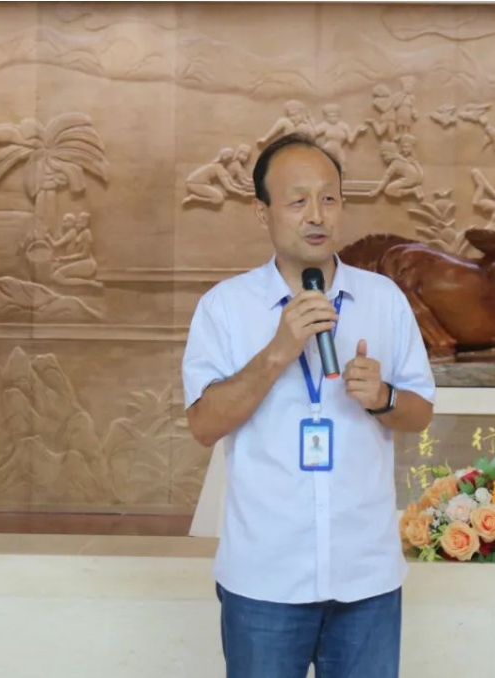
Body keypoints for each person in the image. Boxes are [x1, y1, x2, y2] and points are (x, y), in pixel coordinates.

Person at [182, 133, 435, 678]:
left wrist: (384, 398)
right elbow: (202, 424)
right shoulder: (224, 308)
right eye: (298, 201)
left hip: (366, 579)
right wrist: (278, 351)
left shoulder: (384, 300)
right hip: (264, 580)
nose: (317, 215)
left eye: (329, 198)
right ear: (263, 212)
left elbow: (420, 412)